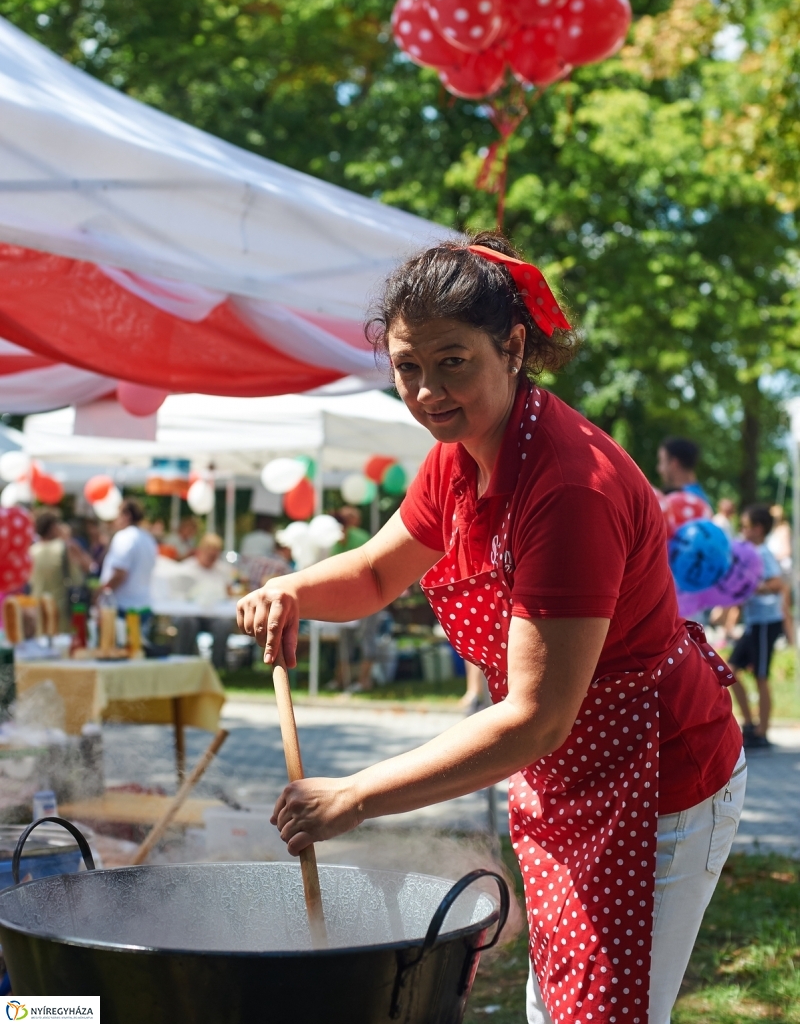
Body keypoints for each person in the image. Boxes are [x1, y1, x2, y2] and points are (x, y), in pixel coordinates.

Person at [238, 233, 745, 1024]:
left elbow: (534, 717)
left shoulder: (570, 487)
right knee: (561, 1003)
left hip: (656, 777)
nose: (428, 390)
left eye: (452, 362)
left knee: (604, 1013)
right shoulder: (456, 453)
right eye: (409, 366)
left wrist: (356, 794)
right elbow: (376, 573)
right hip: (564, 770)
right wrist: (291, 589)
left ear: (512, 347)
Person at [729, 504, 788, 748]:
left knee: (761, 675)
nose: (742, 531)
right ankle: (750, 724)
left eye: (745, 526)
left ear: (758, 529)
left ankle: (762, 732)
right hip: (754, 622)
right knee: (730, 672)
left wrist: (753, 587)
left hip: (766, 622)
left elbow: (776, 583)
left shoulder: (762, 552)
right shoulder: (751, 553)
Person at [332, 507, 378, 690]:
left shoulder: (359, 537)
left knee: (366, 637)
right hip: (350, 597)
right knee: (346, 638)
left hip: (369, 595)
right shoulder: (336, 541)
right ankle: (343, 680)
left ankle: (363, 681)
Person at [173, 532, 235, 667]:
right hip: (190, 614)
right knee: (188, 623)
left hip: (214, 615)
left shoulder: (223, 570)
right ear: (200, 550)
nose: (212, 555)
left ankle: (217, 666)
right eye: (209, 551)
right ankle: (182, 663)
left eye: (216, 552)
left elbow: (229, 593)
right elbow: (177, 596)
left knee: (223, 625)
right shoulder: (186, 569)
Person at [99, 499, 157, 630]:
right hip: (143, 605)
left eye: (118, 515)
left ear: (126, 516)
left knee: (121, 648)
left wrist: (100, 593)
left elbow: (120, 574)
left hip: (124, 608)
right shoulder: (148, 539)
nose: (115, 520)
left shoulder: (124, 537)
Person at [29, 513, 92, 630]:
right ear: (53, 527)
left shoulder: (31, 551)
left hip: (38, 611)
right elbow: (89, 566)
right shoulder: (66, 546)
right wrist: (67, 537)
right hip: (61, 613)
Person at [656, 436, 710, 502]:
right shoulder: (701, 499)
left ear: (674, 463)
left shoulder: (681, 502)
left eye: (662, 461)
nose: (659, 469)